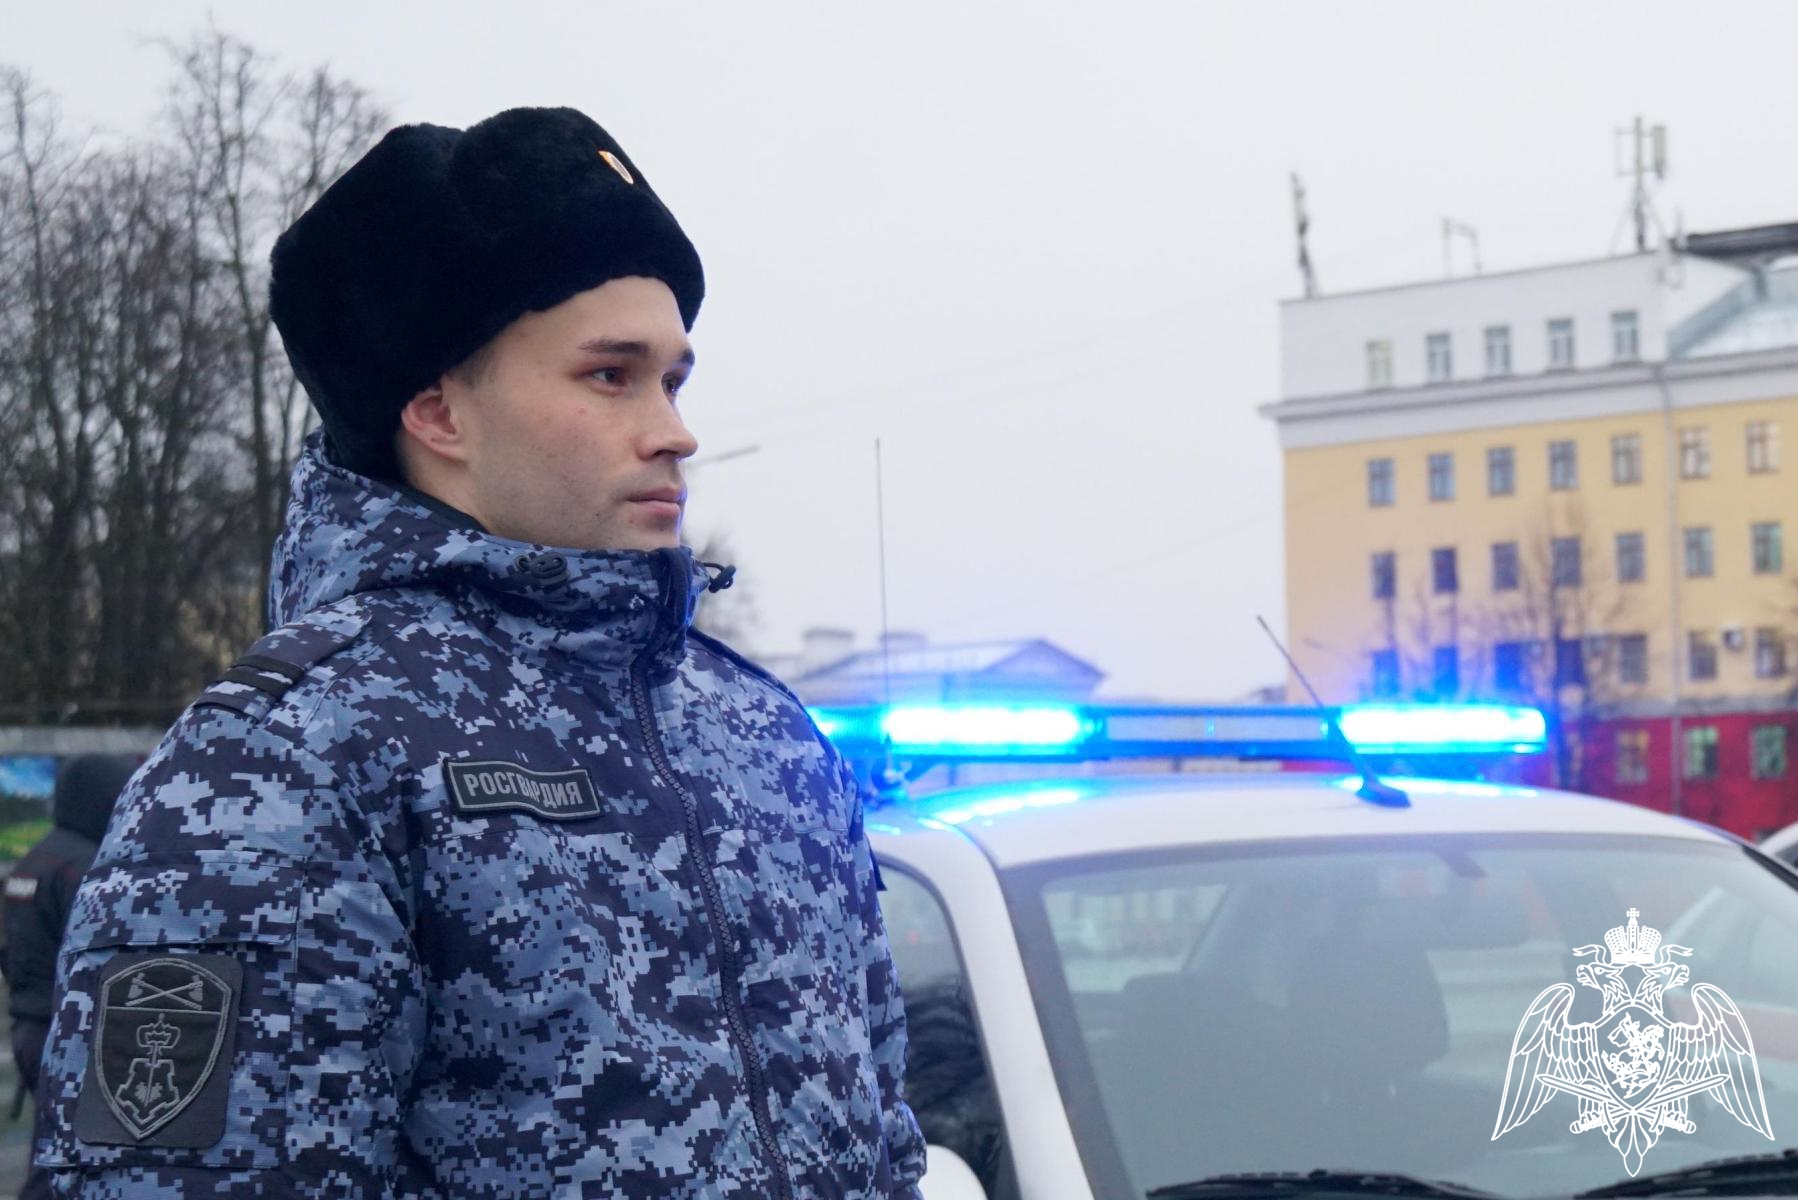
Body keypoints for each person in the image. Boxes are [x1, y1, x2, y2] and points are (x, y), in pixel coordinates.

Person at [34, 106, 926, 1198]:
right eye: (611, 375)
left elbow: (886, 1143)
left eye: (673, 379)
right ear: (438, 413)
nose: (674, 431)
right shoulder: (287, 756)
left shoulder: (765, 738)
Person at [2, 754, 134, 1200]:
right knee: (67, 1160)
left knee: (50, 1150)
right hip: (67, 1032)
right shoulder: (84, 867)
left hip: (29, 1023)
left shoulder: (33, 861)